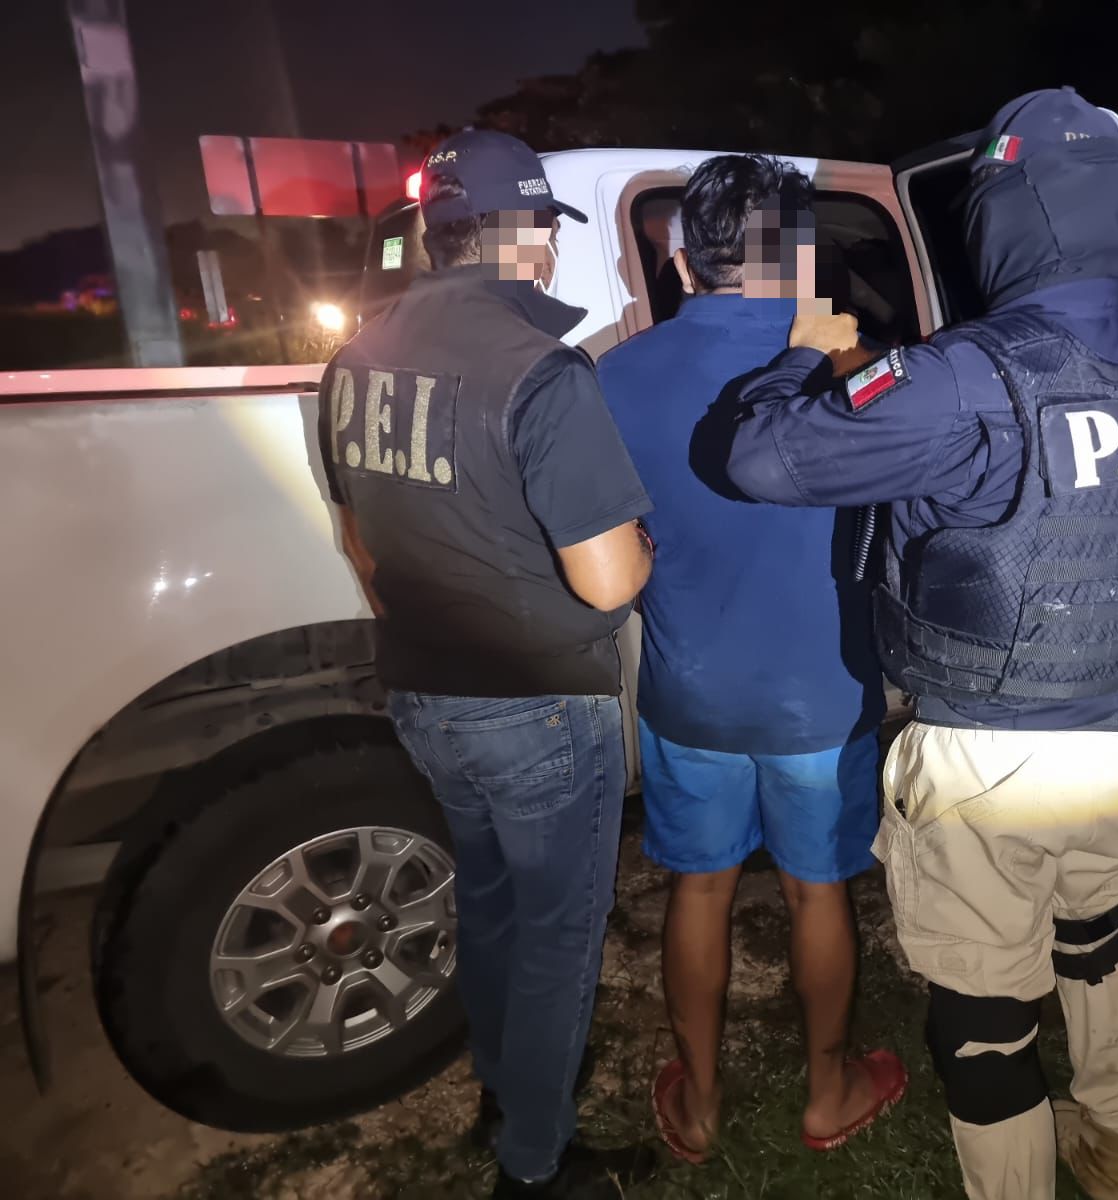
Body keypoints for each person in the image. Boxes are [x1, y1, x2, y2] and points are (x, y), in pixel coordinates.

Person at [722, 89, 1118, 1200]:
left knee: (984, 1021)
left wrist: (797, 358)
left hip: (986, 760)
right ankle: (1115, 1147)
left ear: (1001, 218)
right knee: (1102, 948)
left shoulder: (964, 376)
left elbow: (760, 459)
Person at [317, 129, 657, 1199]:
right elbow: (608, 581)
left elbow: (357, 539)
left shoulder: (355, 358)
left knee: (495, 904)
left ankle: (505, 1093)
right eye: (545, 232)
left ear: (435, 233)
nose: (550, 253)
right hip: (539, 703)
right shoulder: (539, 369)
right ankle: (534, 1166)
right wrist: (646, 547)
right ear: (519, 236)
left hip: (425, 693)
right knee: (557, 935)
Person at [596, 154, 906, 1163]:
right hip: (822, 690)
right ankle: (828, 1090)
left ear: (681, 261)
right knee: (820, 890)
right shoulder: (851, 364)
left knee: (700, 888)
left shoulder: (617, 377)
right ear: (799, 259)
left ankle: (699, 1103)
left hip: (690, 691)